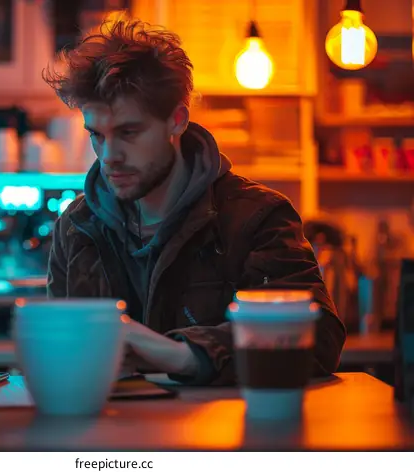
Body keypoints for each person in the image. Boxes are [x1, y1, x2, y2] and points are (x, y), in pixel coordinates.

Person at [42, 18, 346, 385]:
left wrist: (184, 355)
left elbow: (319, 337)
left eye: (129, 132)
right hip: (106, 434)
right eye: (97, 135)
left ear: (177, 120)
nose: (109, 156)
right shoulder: (76, 227)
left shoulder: (257, 218)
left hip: (225, 437)